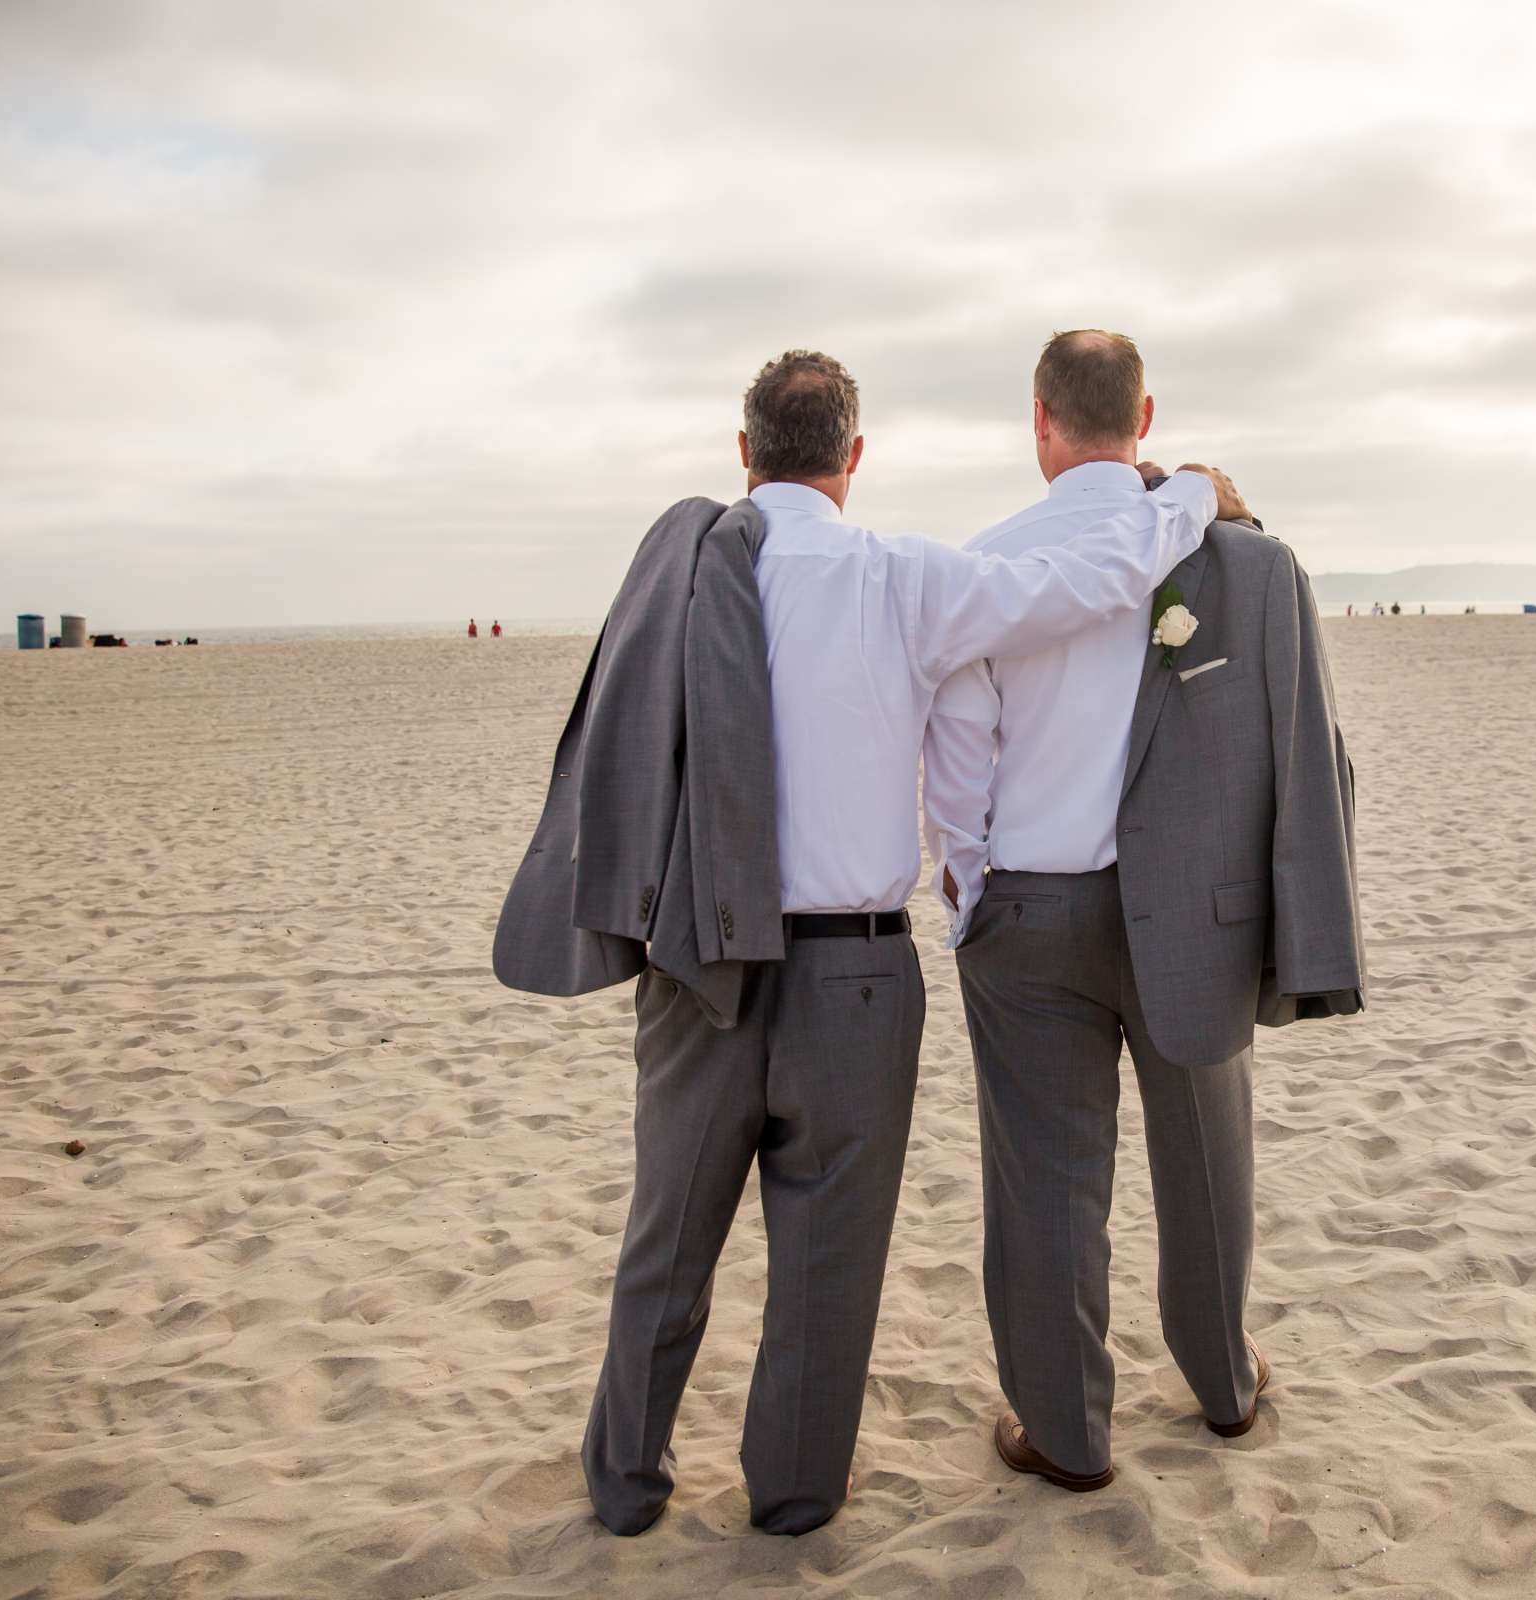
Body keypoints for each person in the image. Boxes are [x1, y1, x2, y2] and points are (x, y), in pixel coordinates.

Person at [494, 349, 1232, 1539]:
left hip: (698, 971)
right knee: (826, 1267)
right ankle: (792, 1498)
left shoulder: (675, 584)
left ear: (746, 455)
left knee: (665, 1240)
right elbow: (1091, 577)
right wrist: (1185, 494)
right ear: (855, 457)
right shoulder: (903, 580)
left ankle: (624, 1484)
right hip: (858, 975)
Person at [926, 330, 1363, 1494]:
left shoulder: (991, 565)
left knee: (1047, 1178)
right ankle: (1224, 1384)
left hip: (1029, 914)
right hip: (1203, 915)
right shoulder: (1256, 566)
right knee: (1208, 1162)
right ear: (1147, 415)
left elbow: (958, 768)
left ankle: (1066, 1432)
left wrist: (969, 890)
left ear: (1039, 421)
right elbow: (1307, 754)